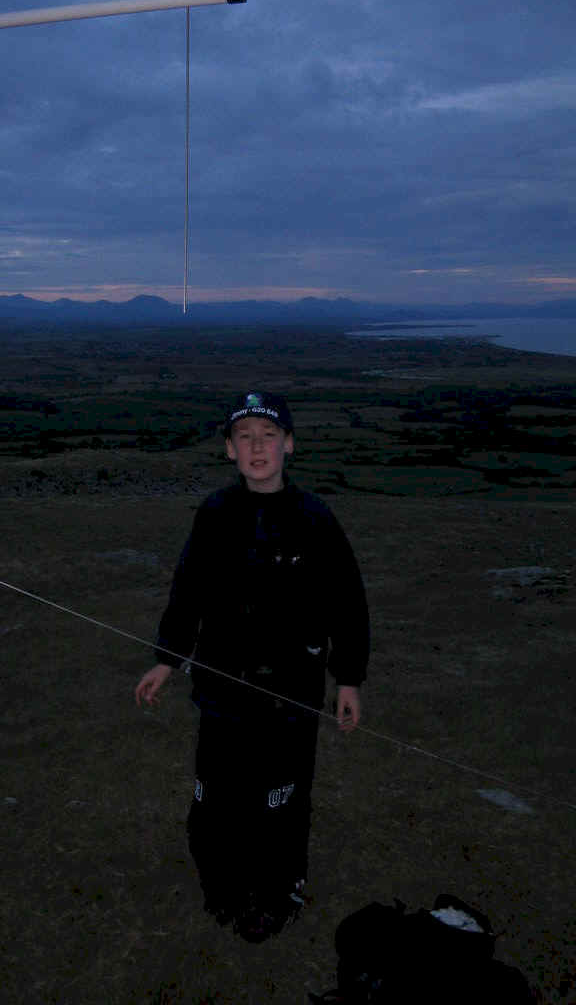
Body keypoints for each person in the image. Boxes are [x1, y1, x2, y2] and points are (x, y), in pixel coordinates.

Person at [134, 391, 369, 942]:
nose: (257, 446)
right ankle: (223, 887)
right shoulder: (215, 515)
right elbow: (188, 592)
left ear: (289, 445)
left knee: (280, 802)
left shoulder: (316, 519)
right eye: (245, 437)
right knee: (214, 801)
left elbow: (347, 604)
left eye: (269, 435)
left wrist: (349, 679)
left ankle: (278, 891)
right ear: (229, 451)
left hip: (291, 699)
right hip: (222, 695)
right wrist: (166, 662)